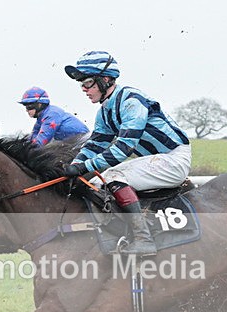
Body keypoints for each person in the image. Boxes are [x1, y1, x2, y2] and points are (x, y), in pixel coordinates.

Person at [59, 51, 191, 256]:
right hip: (154, 160)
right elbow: (95, 144)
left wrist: (82, 168)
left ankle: (143, 239)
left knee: (112, 175)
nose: (84, 89)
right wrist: (72, 168)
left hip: (173, 159)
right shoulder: (105, 110)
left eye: (88, 83)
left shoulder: (131, 100)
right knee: (94, 184)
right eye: (81, 85)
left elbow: (122, 149)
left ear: (105, 80)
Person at [18, 86, 88, 146]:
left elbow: (41, 142)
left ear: (39, 105)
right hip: (72, 142)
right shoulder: (41, 119)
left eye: (29, 107)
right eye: (25, 107)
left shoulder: (51, 115)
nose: (27, 110)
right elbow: (32, 137)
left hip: (83, 139)